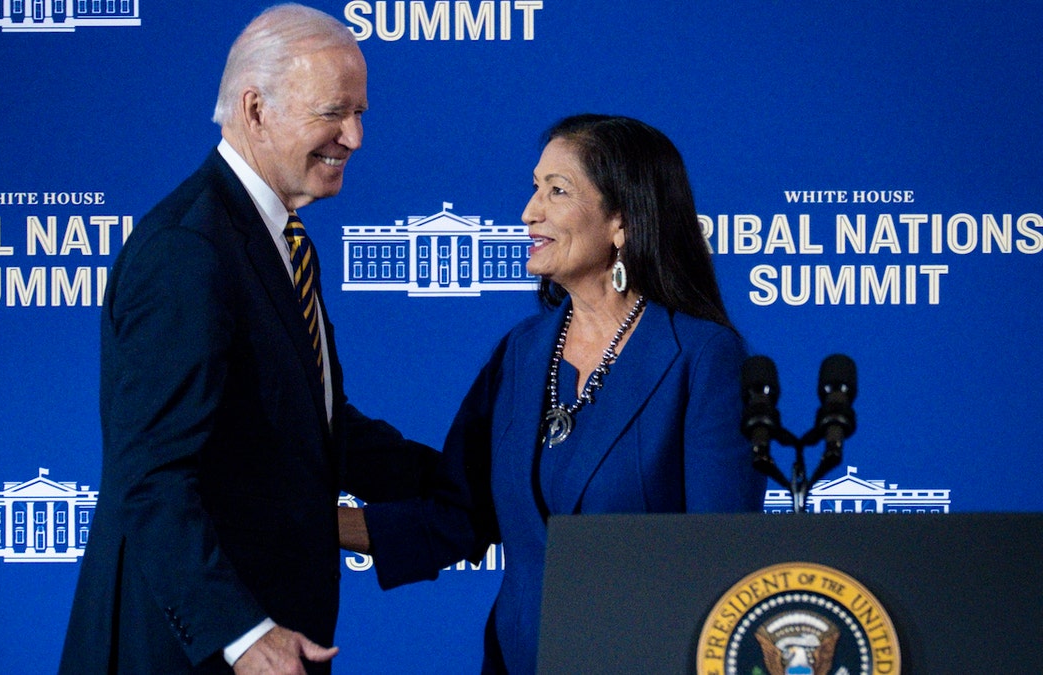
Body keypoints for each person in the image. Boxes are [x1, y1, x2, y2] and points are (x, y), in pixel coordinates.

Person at [59, 5, 437, 674]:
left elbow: (305, 425)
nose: (354, 136)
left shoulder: (276, 239)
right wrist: (241, 631)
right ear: (256, 108)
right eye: (333, 112)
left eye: (360, 113)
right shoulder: (188, 249)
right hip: (191, 653)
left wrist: (462, 477)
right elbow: (148, 474)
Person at [339, 114, 768, 673]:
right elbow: (461, 514)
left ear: (623, 220)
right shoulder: (521, 352)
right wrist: (312, 524)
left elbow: (721, 564)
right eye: (535, 187)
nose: (529, 211)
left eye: (557, 191)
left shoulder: (703, 357)